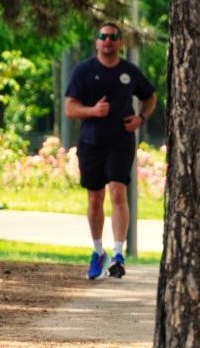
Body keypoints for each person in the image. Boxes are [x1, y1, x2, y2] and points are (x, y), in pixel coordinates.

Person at [64, 22, 157, 280]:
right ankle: (98, 251)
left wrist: (141, 118)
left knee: (118, 193)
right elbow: (70, 108)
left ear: (120, 43)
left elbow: (150, 96)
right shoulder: (84, 71)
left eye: (113, 37)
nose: (107, 41)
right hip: (91, 143)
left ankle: (118, 254)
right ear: (96, 42)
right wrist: (92, 111)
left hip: (120, 141)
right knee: (95, 199)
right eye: (103, 37)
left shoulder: (129, 72)